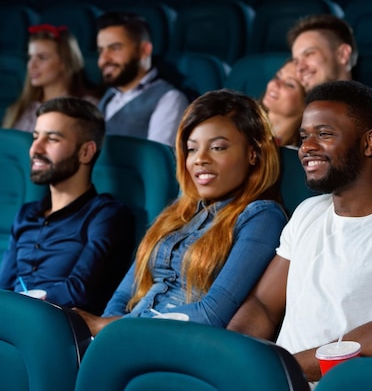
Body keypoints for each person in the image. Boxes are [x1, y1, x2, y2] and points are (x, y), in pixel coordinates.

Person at [227, 80, 372, 383]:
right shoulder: (308, 211)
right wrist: (235, 359)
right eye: (304, 136)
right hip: (275, 388)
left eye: (325, 134)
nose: (307, 147)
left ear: (370, 142)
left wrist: (281, 370)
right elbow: (263, 305)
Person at [74, 89, 287, 335]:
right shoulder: (178, 211)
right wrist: (102, 333)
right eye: (192, 149)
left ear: (253, 153)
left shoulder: (262, 217)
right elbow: (123, 295)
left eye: (217, 148)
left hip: (177, 347)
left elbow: (212, 314)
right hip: (125, 336)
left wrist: (108, 327)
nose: (200, 159)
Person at [0, 97, 135, 314]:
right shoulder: (27, 213)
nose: (35, 148)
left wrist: (17, 307)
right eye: (35, 137)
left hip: (60, 329)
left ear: (86, 152)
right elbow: (3, 285)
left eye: (52, 139)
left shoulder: (107, 215)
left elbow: (80, 291)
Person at [96, 11, 188, 148]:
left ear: (144, 50)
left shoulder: (169, 99)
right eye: (100, 51)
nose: (103, 60)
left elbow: (158, 162)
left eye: (115, 48)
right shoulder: (109, 96)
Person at [2, 24, 100, 132]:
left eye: (42, 57)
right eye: (30, 57)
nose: (32, 65)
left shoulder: (88, 108)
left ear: (64, 62)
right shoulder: (22, 108)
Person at [287, 14, 358, 92]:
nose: (300, 68)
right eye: (296, 62)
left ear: (343, 54)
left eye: (309, 54)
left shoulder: (370, 103)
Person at [261, 59, 306, 147]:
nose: (275, 83)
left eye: (289, 84)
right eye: (277, 77)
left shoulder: (302, 153)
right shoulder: (240, 125)